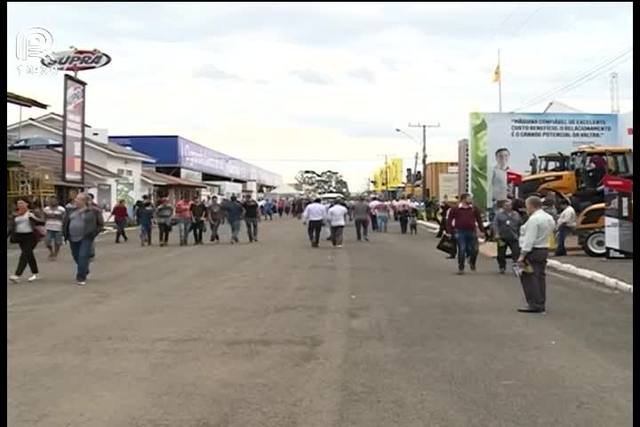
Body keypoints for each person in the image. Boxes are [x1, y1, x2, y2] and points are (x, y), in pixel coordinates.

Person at [516, 196, 556, 313]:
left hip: (532, 251)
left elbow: (529, 239)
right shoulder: (549, 218)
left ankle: (533, 303)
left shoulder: (534, 219)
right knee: (539, 277)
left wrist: (522, 255)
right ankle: (540, 302)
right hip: (543, 249)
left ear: (530, 205)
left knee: (529, 277)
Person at [62, 193, 104, 286]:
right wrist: (64, 233)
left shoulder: (93, 211)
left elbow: (100, 224)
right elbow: (65, 222)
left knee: (83, 255)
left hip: (86, 237)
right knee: (76, 256)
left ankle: (80, 277)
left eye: (79, 199)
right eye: (76, 199)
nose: (76, 201)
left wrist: (93, 233)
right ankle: (85, 269)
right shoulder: (70, 210)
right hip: (72, 237)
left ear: (85, 201)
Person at [446, 193, 485, 275]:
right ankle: (461, 268)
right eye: (469, 198)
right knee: (462, 249)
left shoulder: (474, 209)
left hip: (472, 231)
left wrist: (482, 231)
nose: (471, 200)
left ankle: (472, 262)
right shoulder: (455, 209)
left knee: (475, 249)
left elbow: (479, 220)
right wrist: (449, 231)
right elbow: (449, 220)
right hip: (460, 232)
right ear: (464, 199)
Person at [8, 199, 45, 283]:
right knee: (29, 255)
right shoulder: (15, 215)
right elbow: (11, 227)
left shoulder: (31, 213)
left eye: (22, 203)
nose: (20, 205)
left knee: (24, 254)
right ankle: (36, 273)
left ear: (27, 204)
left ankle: (17, 275)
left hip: (30, 236)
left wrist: (33, 218)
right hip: (20, 237)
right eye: (18, 203)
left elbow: (42, 222)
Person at [492, 199, 522, 274]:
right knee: (501, 254)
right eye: (506, 205)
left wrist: (520, 234)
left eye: (509, 205)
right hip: (502, 237)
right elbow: (495, 224)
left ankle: (516, 267)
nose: (508, 207)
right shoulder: (499, 215)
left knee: (516, 253)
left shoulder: (516, 214)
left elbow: (520, 224)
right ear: (503, 206)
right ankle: (502, 266)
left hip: (514, 237)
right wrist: (496, 233)